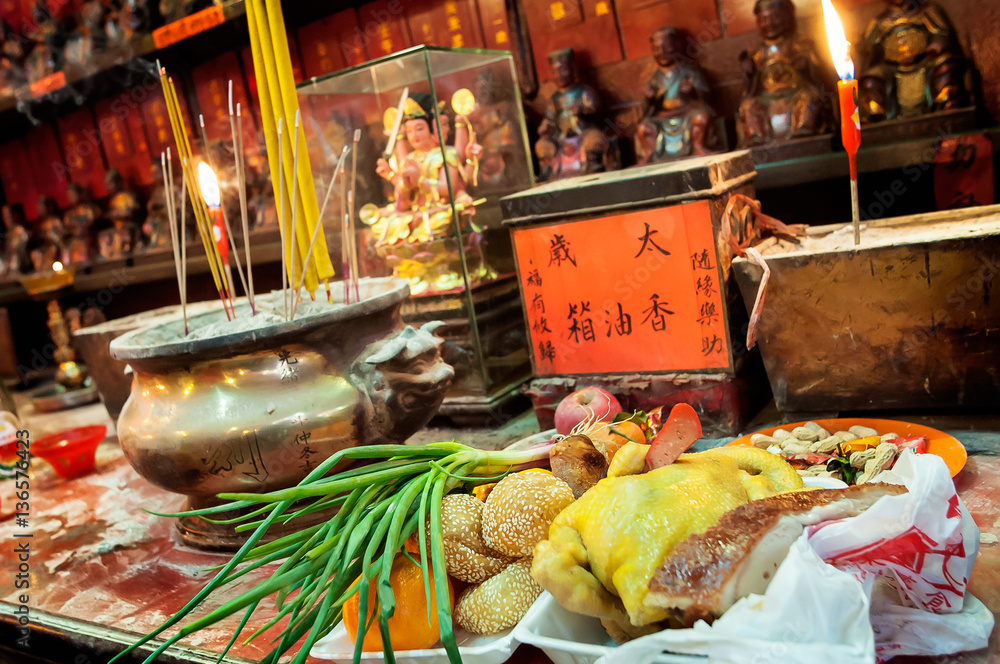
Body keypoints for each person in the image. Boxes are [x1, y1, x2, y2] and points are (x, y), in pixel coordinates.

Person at [736, 0, 831, 147]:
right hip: (768, 97)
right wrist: (750, 73)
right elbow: (751, 87)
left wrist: (807, 65)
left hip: (795, 92)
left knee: (808, 98)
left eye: (775, 17)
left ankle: (803, 130)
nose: (770, 23)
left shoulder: (800, 45)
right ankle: (756, 137)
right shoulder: (757, 53)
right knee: (749, 106)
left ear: (787, 17)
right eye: (764, 20)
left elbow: (821, 76)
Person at [635, 27, 715, 164]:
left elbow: (707, 95)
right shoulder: (655, 79)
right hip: (664, 120)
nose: (662, 52)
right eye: (656, 49)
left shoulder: (689, 71)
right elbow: (645, 111)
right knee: (643, 128)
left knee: (700, 118)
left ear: (676, 46)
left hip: (686, 115)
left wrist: (693, 91)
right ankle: (650, 152)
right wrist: (649, 99)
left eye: (667, 47)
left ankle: (698, 146)